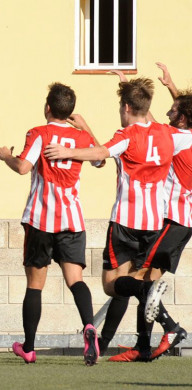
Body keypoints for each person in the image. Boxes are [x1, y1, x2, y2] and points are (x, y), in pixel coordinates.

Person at [44, 77, 192, 362]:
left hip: (125, 221)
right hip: (153, 223)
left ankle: (150, 300)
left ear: (125, 107)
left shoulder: (126, 136)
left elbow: (102, 153)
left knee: (112, 285)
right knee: (132, 282)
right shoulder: (168, 134)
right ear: (146, 105)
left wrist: (67, 151)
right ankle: (126, 338)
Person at [0, 83, 103, 366]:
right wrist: (85, 128)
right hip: (72, 219)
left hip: (40, 220)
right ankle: (89, 326)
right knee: (76, 281)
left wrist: (6, 154)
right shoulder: (81, 138)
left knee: (35, 285)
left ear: (47, 108)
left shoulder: (39, 133)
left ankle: (29, 347)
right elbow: (101, 159)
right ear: (70, 112)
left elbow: (22, 167)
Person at [101, 64, 191, 362]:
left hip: (172, 220)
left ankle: (170, 328)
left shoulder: (176, 141)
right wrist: (164, 87)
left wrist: (133, 96)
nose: (167, 114)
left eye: (173, 110)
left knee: (142, 283)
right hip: (181, 223)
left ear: (184, 118)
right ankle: (143, 345)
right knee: (145, 282)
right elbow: (151, 121)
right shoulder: (179, 136)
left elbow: (145, 126)